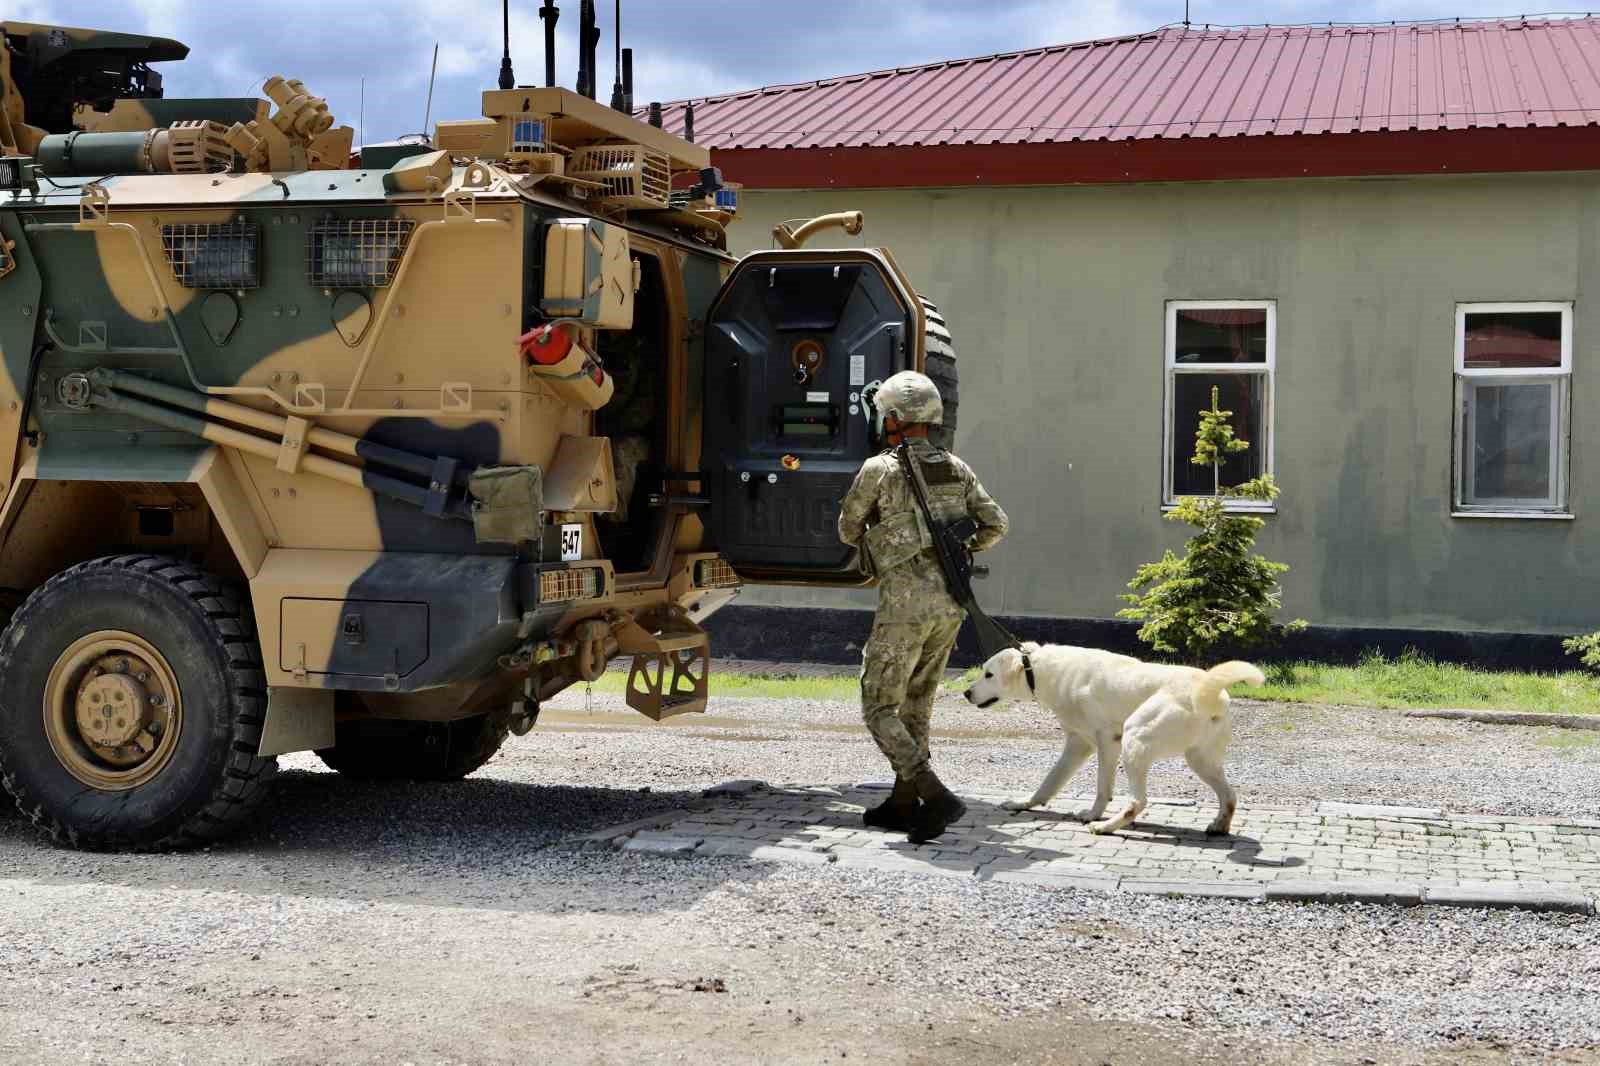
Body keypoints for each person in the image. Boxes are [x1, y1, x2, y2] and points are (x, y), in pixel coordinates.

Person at [837, 370, 1008, 843]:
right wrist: (958, 541)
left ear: (893, 418)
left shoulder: (881, 468)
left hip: (904, 608)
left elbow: (847, 530)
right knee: (917, 706)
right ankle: (902, 802)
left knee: (879, 707)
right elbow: (995, 524)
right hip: (951, 605)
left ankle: (934, 794)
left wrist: (893, 534)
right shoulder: (956, 467)